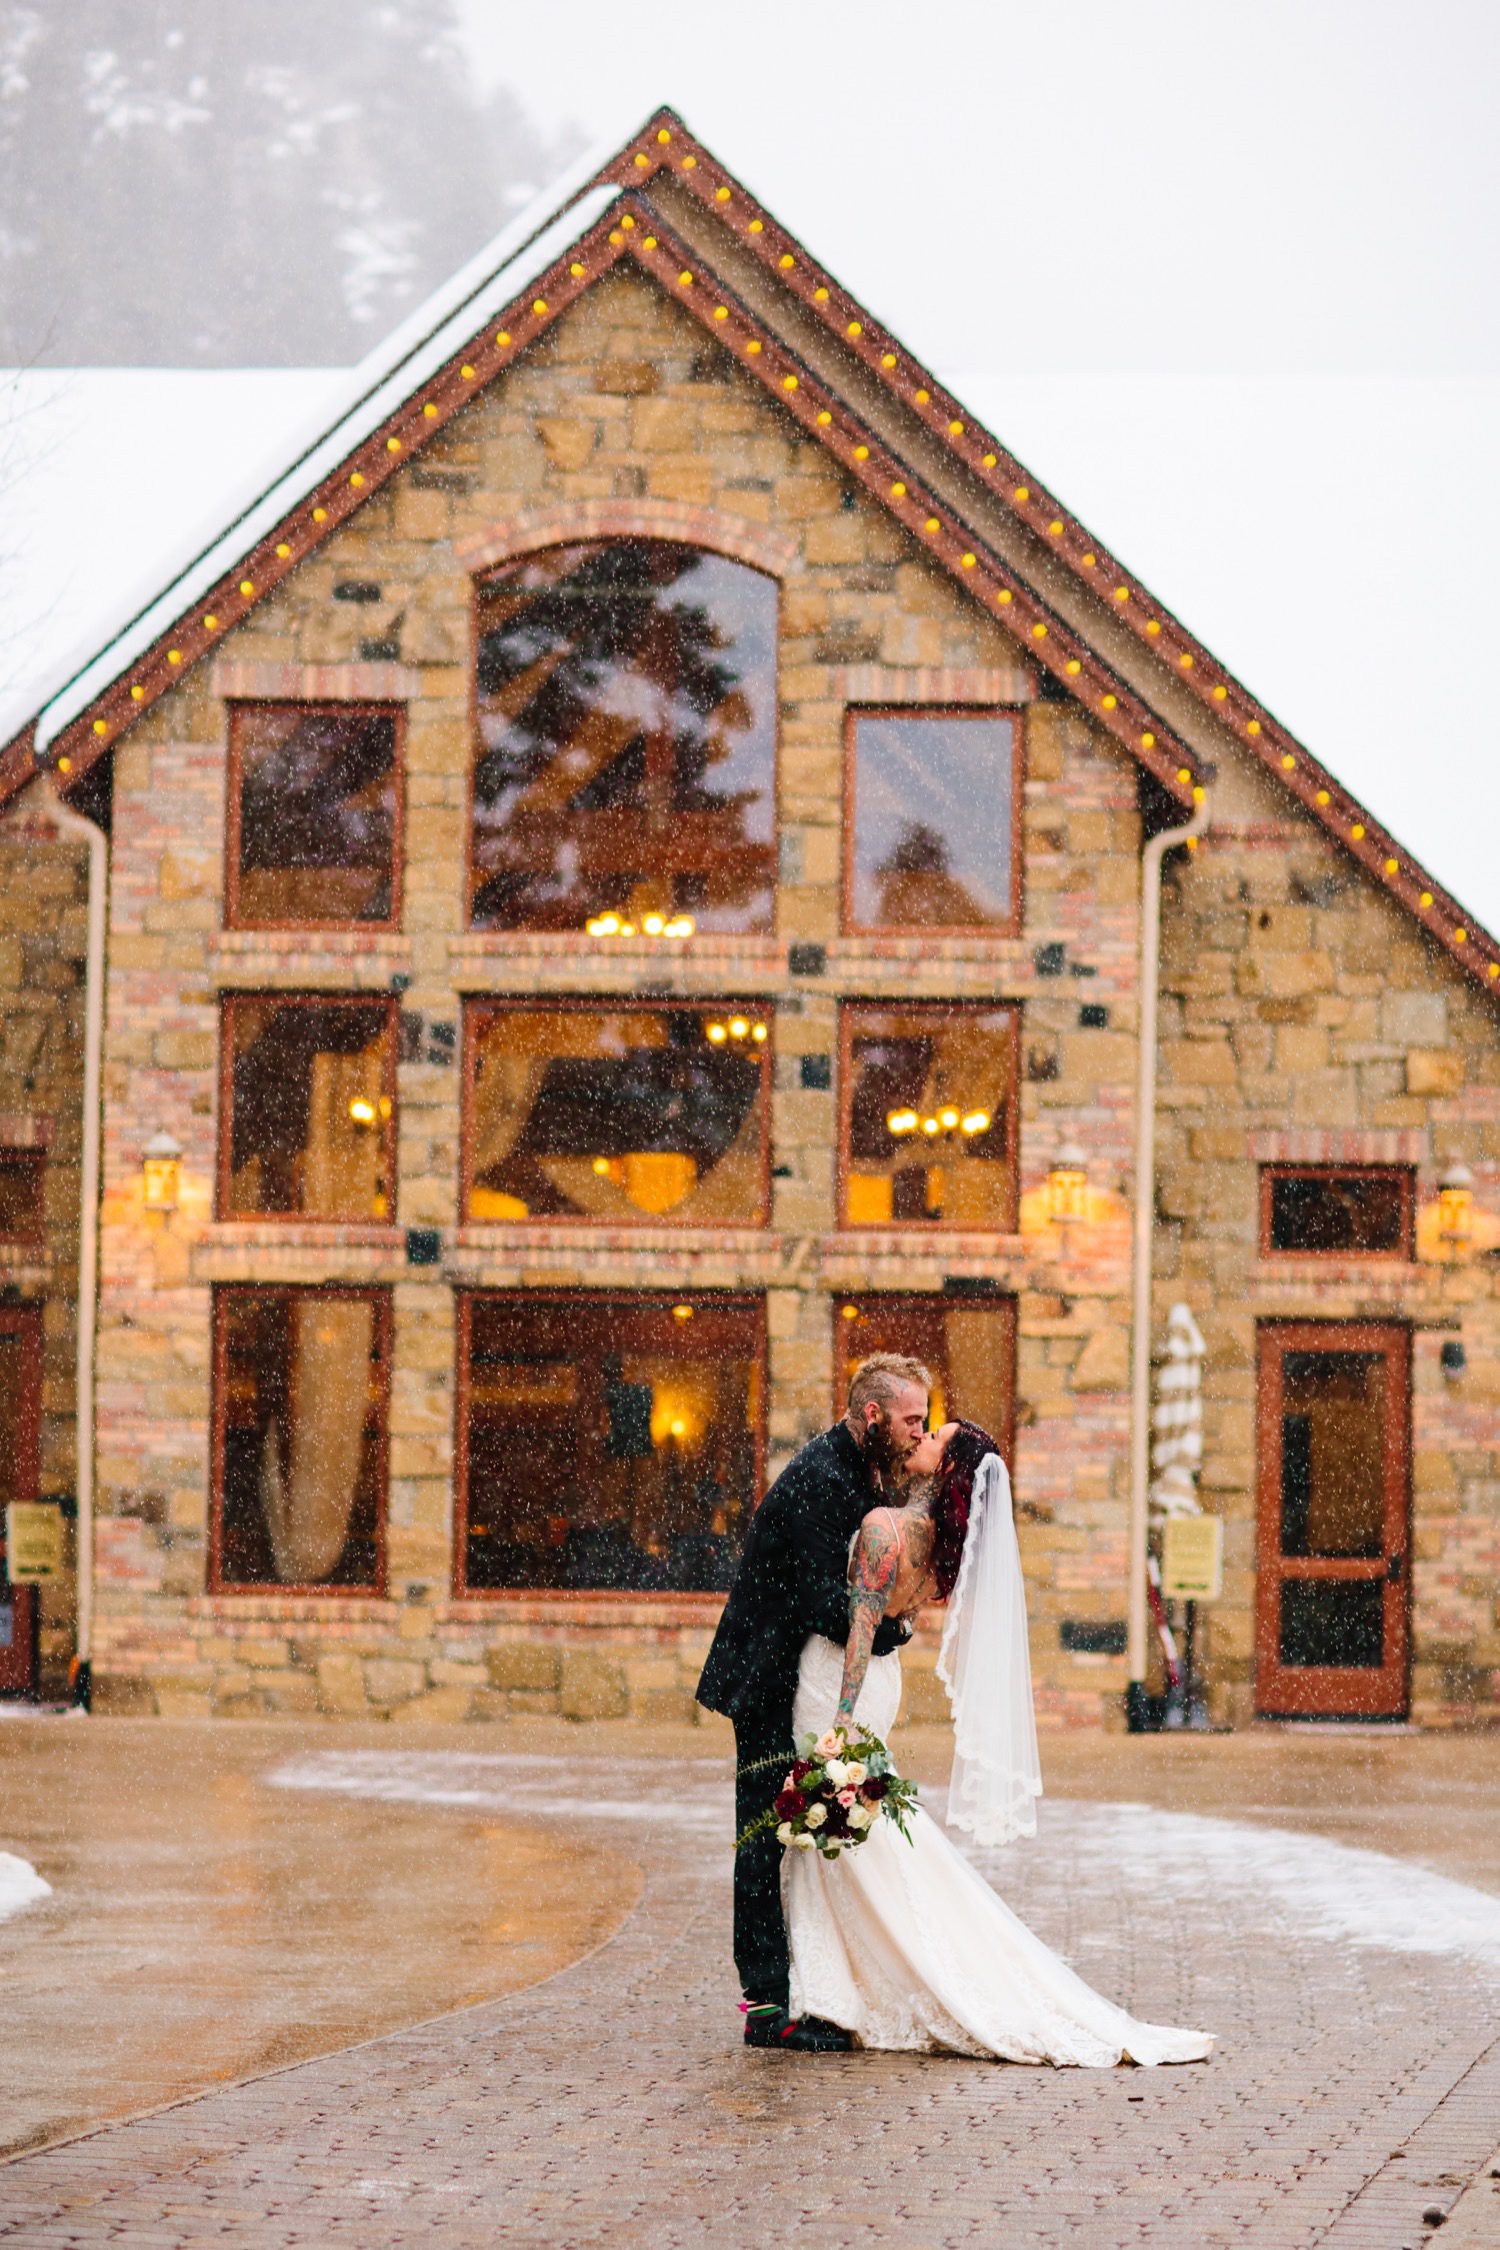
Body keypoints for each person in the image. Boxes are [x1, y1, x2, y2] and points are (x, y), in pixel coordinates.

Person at [782, 1418, 1215, 2064]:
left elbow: (864, 1627)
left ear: (948, 1467)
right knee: (848, 1832)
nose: (922, 1437)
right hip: (883, 1683)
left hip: (842, 1686)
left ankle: (843, 1990)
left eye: (936, 1436)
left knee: (840, 1828)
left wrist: (842, 1722)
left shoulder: (883, 1528)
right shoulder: (935, 1548)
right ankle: (835, 1986)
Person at [697, 1354, 932, 2053]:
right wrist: (895, 1624)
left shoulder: (860, 1469)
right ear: (871, 1417)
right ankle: (766, 2004)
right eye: (910, 1420)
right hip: (765, 1679)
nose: (920, 1432)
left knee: (794, 1833)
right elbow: (822, 1601)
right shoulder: (819, 1479)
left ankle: (810, 1984)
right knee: (762, 1836)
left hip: (796, 1673)